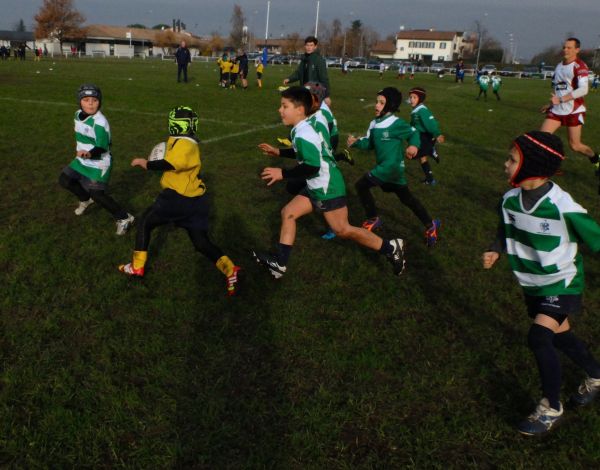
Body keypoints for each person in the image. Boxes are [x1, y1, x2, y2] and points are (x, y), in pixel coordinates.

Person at [482, 130, 600, 436]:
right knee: (560, 338)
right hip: (532, 283)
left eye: (511, 159)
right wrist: (496, 249)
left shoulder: (563, 205)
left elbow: (596, 239)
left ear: (531, 166)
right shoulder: (509, 200)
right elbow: (504, 229)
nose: (505, 164)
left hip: (563, 282)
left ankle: (550, 407)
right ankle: (597, 375)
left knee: (538, 337)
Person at [253, 86, 406, 278]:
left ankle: (390, 247)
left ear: (299, 110)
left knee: (342, 230)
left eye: (284, 106)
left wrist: (282, 173)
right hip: (317, 184)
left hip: (327, 187)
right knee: (289, 213)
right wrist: (279, 151)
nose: (280, 110)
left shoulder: (303, 133)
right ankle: (280, 263)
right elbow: (305, 152)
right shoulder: (302, 128)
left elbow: (312, 166)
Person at [118, 106, 242, 296]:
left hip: (178, 198)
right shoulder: (185, 141)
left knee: (145, 222)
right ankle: (229, 269)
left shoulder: (186, 144)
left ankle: (136, 266)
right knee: (200, 242)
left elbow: (171, 163)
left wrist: (146, 163)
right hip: (196, 200)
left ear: (175, 125)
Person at [347, 87, 441, 247]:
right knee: (408, 199)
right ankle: (430, 225)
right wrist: (356, 143)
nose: (376, 105)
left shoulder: (396, 123)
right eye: (377, 102)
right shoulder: (374, 123)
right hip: (390, 172)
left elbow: (413, 133)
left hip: (391, 167)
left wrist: (413, 146)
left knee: (361, 185)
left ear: (390, 106)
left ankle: (372, 218)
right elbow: (369, 143)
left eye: (381, 103)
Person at [58, 84, 134, 235]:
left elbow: (103, 147)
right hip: (82, 160)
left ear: (100, 102)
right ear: (79, 102)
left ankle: (124, 217)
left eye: (94, 100)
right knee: (65, 180)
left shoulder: (100, 122)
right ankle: (84, 199)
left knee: (98, 195)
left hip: (99, 162)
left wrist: (88, 153)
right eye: (86, 100)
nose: (90, 103)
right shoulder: (77, 114)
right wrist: (84, 154)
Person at [540, 38, 599, 173]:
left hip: (574, 110)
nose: (565, 50)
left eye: (569, 48)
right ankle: (553, 165)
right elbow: (559, 89)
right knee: (542, 138)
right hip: (557, 110)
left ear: (577, 50)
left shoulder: (580, 66)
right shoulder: (559, 66)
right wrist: (550, 105)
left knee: (575, 145)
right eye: (564, 47)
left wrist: (560, 100)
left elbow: (584, 90)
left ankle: (596, 159)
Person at [408, 87, 445, 185]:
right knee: (422, 157)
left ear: (420, 99)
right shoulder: (416, 110)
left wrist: (437, 134)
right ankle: (430, 179)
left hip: (424, 137)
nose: (411, 99)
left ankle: (431, 150)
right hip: (420, 136)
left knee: (411, 155)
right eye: (410, 97)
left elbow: (431, 123)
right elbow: (414, 124)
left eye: (414, 97)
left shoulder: (422, 110)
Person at [283, 36, 331, 104]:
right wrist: (289, 79)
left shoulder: (319, 60)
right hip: (304, 91)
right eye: (307, 45)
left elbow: (324, 78)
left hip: (315, 93)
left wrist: (327, 96)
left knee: (313, 112)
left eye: (311, 45)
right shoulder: (304, 59)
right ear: (305, 46)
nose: (309, 47)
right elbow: (299, 73)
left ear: (315, 47)